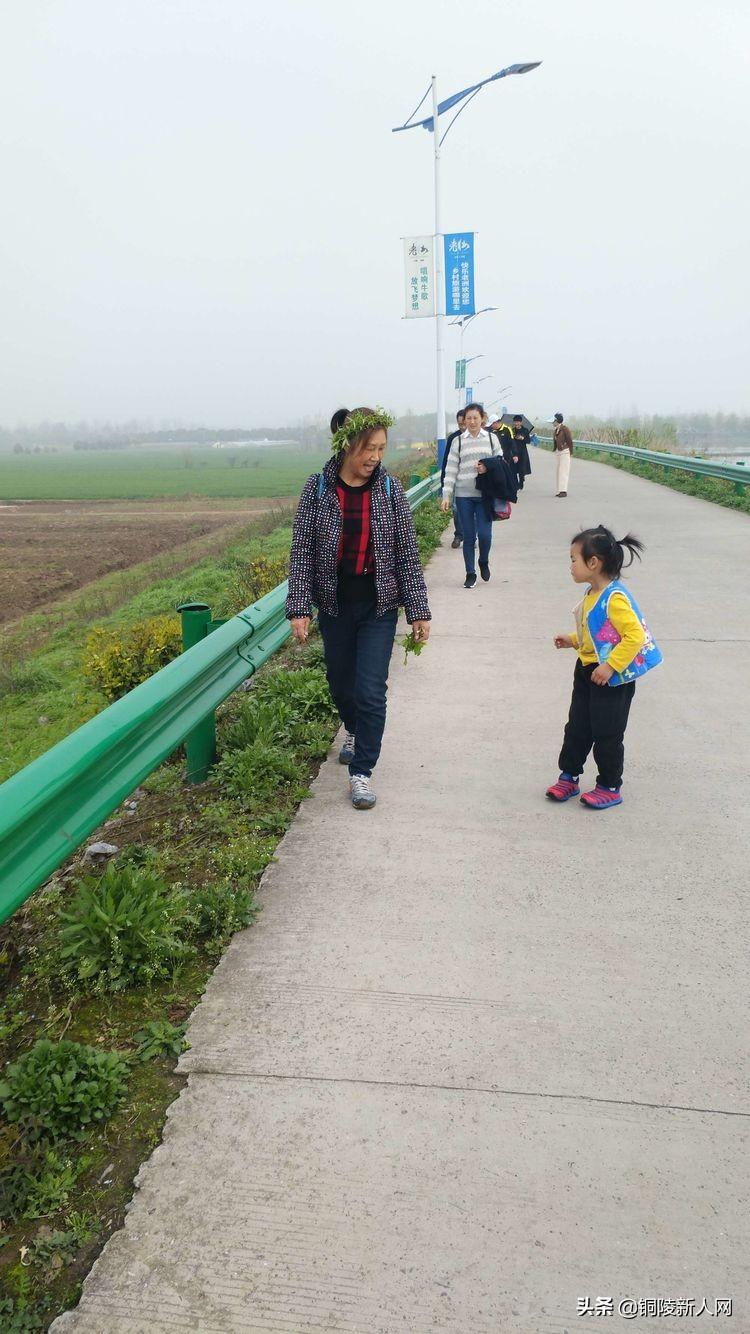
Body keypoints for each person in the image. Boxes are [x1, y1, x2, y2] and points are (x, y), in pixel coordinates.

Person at [286, 406, 431, 811]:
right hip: (334, 604)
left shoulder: (389, 491)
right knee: (340, 680)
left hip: (378, 605)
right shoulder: (317, 489)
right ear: (347, 445)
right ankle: (351, 727)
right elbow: (301, 554)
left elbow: (407, 553)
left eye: (381, 449)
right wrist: (299, 607)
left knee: (371, 691)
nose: (374, 457)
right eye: (369, 448)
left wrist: (419, 609)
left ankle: (362, 773)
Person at [546, 525, 662, 810]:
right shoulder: (591, 593)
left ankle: (609, 785)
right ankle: (569, 776)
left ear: (593, 563)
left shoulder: (615, 598)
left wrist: (610, 666)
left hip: (612, 679)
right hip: (587, 671)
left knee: (607, 732)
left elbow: (634, 635)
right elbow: (599, 633)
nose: (571, 565)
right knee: (578, 726)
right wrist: (573, 641)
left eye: (574, 559)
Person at [440, 402, 500, 587]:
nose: (472, 421)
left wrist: (487, 466)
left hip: (485, 495)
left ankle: (483, 560)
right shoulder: (458, 441)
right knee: (468, 536)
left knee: (485, 535)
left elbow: (500, 463)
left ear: (482, 419)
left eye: (475, 418)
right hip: (463, 495)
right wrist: (446, 495)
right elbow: (450, 469)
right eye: (468, 418)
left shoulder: (491, 439)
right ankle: (470, 573)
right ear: (463, 421)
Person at [441, 410, 466, 549]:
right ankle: (458, 535)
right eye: (459, 424)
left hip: (472, 480)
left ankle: (471, 536)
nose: (462, 427)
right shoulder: (453, 439)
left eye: (464, 423)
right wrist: (443, 480)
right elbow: (446, 461)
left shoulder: (476, 438)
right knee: (457, 509)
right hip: (455, 479)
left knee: (472, 510)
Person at [553, 412, 574, 497]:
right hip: (559, 452)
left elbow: (569, 440)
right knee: (559, 471)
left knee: (563, 471)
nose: (552, 423)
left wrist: (571, 452)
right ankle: (559, 490)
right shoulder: (556, 430)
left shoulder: (565, 429)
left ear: (557, 421)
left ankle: (563, 491)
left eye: (553, 421)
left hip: (565, 451)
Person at [511, 414, 533, 493]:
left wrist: (522, 438)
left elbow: (528, 441)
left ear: (521, 422)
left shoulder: (525, 430)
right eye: (515, 422)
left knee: (521, 468)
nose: (516, 424)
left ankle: (521, 482)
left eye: (518, 422)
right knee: (513, 468)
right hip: (514, 451)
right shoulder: (512, 430)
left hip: (523, 451)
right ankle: (516, 483)